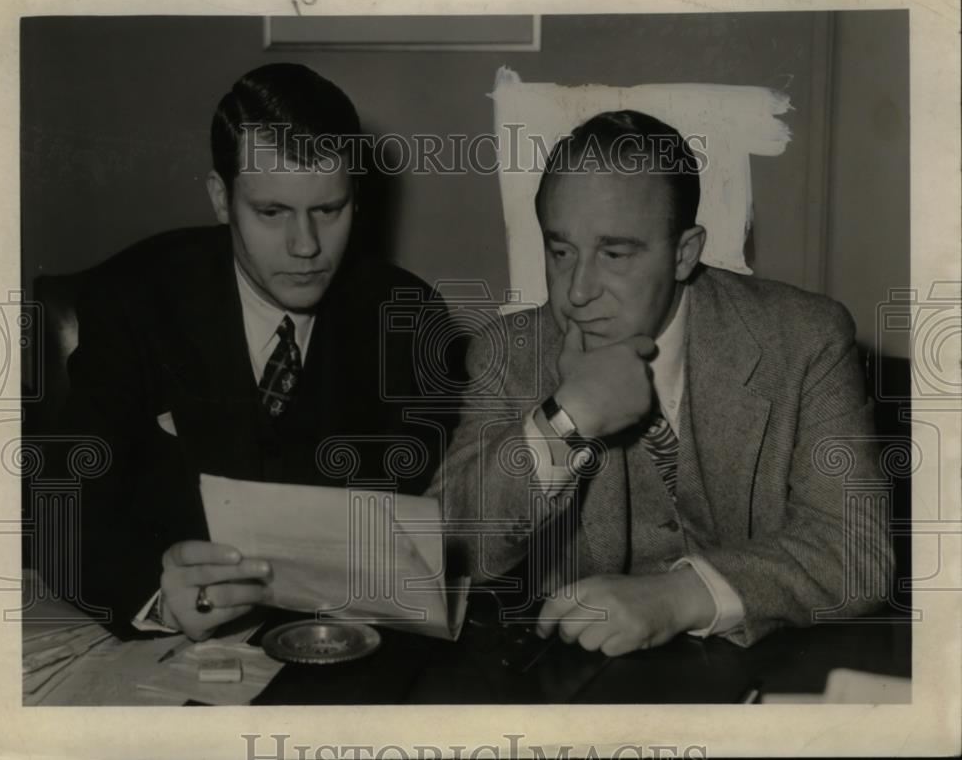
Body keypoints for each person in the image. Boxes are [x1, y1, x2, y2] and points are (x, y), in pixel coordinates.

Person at [435, 109, 892, 654]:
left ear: (684, 253)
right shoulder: (507, 353)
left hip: (762, 674)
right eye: (561, 251)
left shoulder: (803, 339)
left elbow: (856, 550)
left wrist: (676, 597)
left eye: (615, 253)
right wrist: (565, 419)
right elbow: (447, 548)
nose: (577, 291)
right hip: (587, 685)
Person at [55, 63, 449, 641]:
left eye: (328, 210)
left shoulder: (410, 317)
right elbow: (63, 506)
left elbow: (423, 530)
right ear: (221, 199)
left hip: (344, 653)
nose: (306, 246)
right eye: (271, 212)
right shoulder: (133, 297)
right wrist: (156, 598)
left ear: (356, 199)